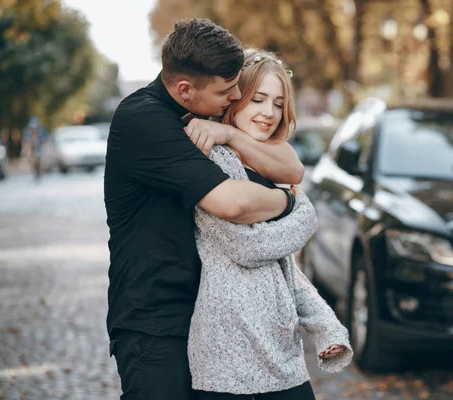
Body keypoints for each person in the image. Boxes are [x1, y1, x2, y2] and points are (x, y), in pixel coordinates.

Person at [104, 19, 304, 400]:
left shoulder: (203, 111)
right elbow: (233, 203)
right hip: (156, 322)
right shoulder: (143, 120)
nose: (234, 99)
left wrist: (230, 133)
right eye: (227, 91)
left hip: (203, 321)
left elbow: (291, 167)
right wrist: (291, 202)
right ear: (185, 89)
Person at [187, 49, 353, 400]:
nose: (269, 113)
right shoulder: (211, 164)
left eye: (278, 104)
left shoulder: (269, 168)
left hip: (281, 356)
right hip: (228, 360)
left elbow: (284, 270)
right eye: (258, 99)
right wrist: (303, 214)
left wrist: (326, 327)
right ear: (234, 100)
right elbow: (250, 247)